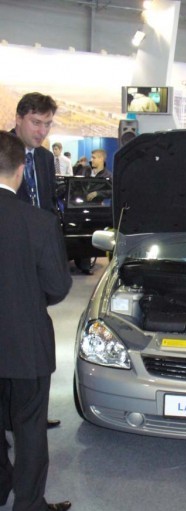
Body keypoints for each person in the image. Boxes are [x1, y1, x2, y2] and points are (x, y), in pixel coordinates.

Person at [0, 131, 72, 511]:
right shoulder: (39, 221)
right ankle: (27, 506)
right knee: (29, 425)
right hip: (26, 340)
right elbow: (58, 287)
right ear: (21, 170)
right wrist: (27, 299)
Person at [12, 92, 62, 428]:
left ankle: (30, 415)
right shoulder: (4, 152)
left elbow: (46, 205)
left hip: (38, 263)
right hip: (9, 260)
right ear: (18, 119)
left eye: (47, 124)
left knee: (35, 337)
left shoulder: (44, 159)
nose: (42, 131)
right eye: (35, 122)